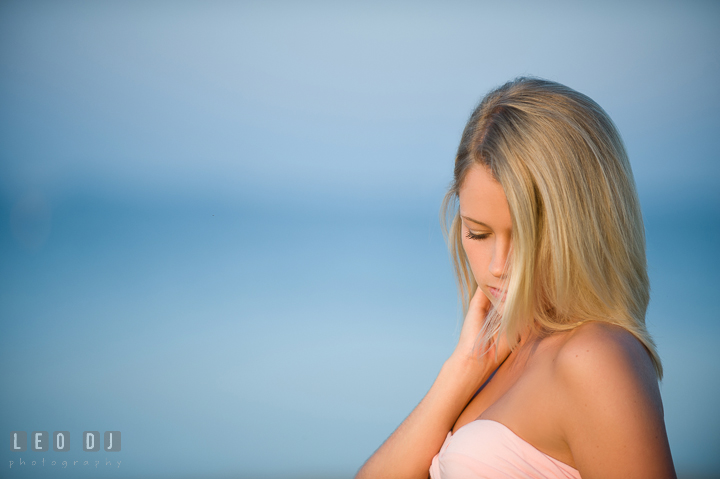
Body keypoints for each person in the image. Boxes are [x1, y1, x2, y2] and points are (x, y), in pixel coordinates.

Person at [355, 77, 676, 479]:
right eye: (478, 233)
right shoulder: (502, 355)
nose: (499, 265)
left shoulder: (595, 359)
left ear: (582, 228)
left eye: (526, 235)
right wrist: (461, 370)